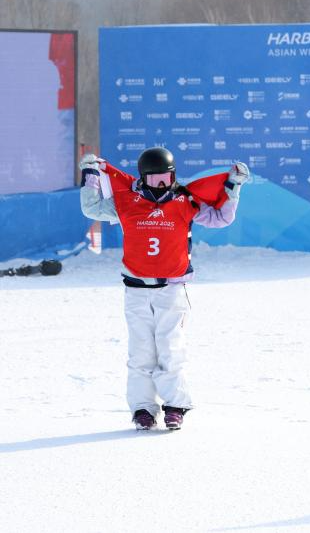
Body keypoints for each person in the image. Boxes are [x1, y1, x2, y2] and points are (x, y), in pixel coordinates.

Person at [79, 147, 249, 431]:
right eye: (155, 179)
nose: (162, 184)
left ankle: (175, 405)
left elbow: (221, 218)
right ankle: (143, 408)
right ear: (143, 178)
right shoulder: (125, 201)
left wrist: (233, 187)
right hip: (136, 289)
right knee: (141, 351)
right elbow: (92, 208)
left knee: (171, 348)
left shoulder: (186, 200)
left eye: (167, 178)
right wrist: (90, 175)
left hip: (171, 289)